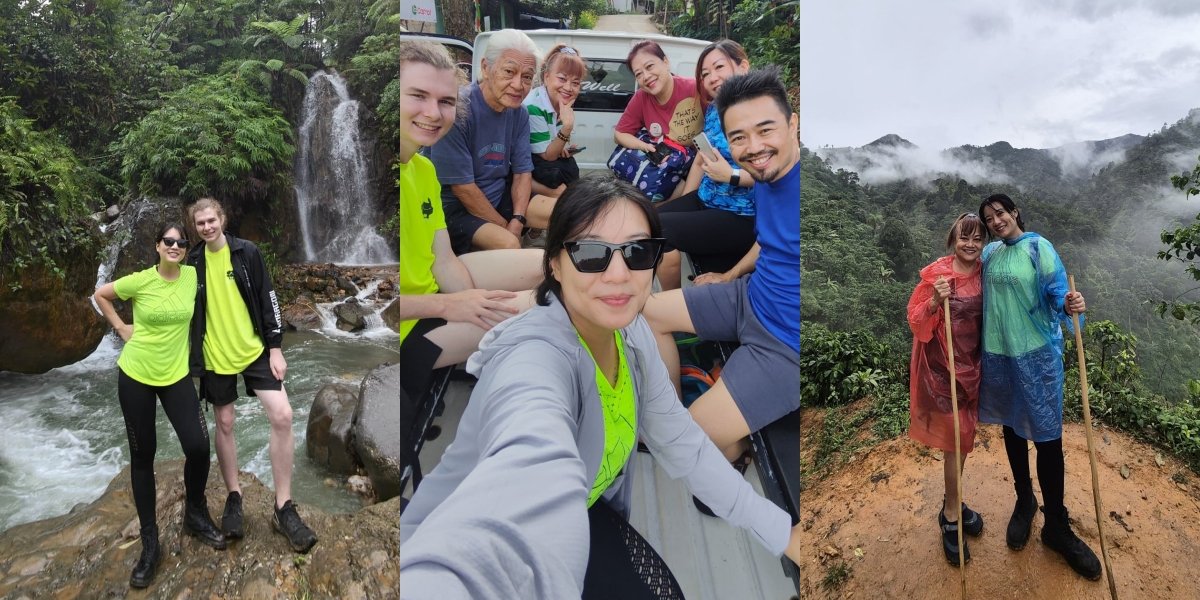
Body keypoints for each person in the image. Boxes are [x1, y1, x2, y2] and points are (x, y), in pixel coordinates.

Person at [399, 175, 803, 599]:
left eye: (638, 252)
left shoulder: (631, 333)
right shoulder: (535, 362)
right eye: (591, 253)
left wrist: (782, 532)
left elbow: (686, 445)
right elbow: (527, 463)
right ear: (553, 263)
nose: (618, 275)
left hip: (589, 508)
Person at [643, 68, 800, 473]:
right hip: (749, 296)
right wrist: (730, 277)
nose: (754, 147)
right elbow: (767, 243)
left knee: (690, 443)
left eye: (766, 130)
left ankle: (733, 448)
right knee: (647, 312)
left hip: (785, 345)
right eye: (739, 138)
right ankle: (674, 406)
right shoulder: (767, 175)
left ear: (792, 123)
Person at [398, 39, 541, 398]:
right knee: (545, 308)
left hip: (435, 293)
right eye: (418, 96)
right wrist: (452, 305)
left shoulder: (423, 169)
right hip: (404, 330)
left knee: (550, 269)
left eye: (445, 101)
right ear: (486, 70)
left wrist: (476, 302)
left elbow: (443, 261)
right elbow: (374, 305)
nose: (433, 113)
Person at [93, 224, 227, 589]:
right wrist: (122, 327)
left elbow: (224, 266)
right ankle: (150, 542)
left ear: (186, 249)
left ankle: (195, 515)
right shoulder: (140, 280)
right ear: (157, 246)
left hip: (176, 375)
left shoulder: (191, 277)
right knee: (143, 456)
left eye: (181, 242)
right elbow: (101, 294)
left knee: (198, 446)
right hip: (136, 374)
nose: (175, 246)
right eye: (168, 241)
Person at [977, 193, 1098, 580]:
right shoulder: (989, 254)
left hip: (1037, 357)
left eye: (1000, 213)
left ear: (1014, 213)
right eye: (988, 218)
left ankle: (1057, 526)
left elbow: (1056, 292)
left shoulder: (1038, 246)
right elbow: (963, 269)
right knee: (1012, 430)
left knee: (1047, 439)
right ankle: (1025, 501)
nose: (995, 221)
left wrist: (1070, 304)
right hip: (1000, 355)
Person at [186, 198, 318, 553]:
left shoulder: (247, 253)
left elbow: (268, 298)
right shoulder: (192, 261)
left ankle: (283, 507)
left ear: (223, 219)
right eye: (200, 223)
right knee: (225, 422)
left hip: (255, 349)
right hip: (215, 353)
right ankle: (234, 496)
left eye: (211, 220)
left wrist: (275, 347)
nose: (207, 227)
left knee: (283, 415)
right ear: (194, 227)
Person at [906, 213, 986, 566]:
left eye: (977, 238)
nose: (969, 244)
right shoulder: (936, 274)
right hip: (943, 372)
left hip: (974, 368)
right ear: (953, 239)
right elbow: (915, 318)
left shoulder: (986, 272)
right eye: (963, 237)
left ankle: (952, 500)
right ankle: (950, 515)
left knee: (964, 442)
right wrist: (936, 301)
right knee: (955, 441)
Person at [430, 28, 555, 254]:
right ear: (486, 68)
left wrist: (518, 218)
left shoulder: (519, 114)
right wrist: (506, 228)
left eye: (527, 77)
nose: (518, 85)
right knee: (508, 244)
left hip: (500, 195)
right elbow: (463, 188)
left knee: (565, 213)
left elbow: (522, 173)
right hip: (457, 209)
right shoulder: (458, 110)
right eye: (509, 72)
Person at [656, 40, 757, 291]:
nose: (712, 77)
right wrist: (689, 198)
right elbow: (702, 156)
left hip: (740, 216)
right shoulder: (714, 108)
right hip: (706, 199)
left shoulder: (759, 114)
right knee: (648, 219)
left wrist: (731, 175)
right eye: (705, 74)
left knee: (661, 231)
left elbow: (772, 175)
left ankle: (673, 303)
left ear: (742, 67)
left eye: (719, 67)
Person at [612, 40, 704, 200]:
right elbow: (620, 134)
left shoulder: (695, 89)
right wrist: (646, 147)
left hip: (700, 170)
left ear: (666, 62)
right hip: (665, 173)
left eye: (649, 66)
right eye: (638, 74)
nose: (646, 77)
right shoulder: (641, 97)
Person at [524, 43, 586, 199]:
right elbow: (548, 156)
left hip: (541, 158)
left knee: (570, 168)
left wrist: (562, 147)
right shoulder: (534, 106)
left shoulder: (559, 104)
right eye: (562, 79)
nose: (568, 87)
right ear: (546, 77)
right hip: (522, 170)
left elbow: (552, 144)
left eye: (575, 83)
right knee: (562, 175)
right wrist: (567, 128)